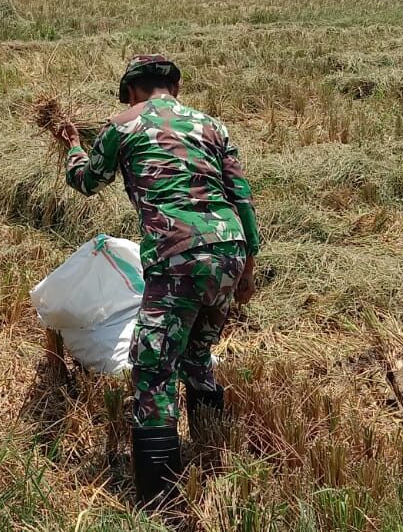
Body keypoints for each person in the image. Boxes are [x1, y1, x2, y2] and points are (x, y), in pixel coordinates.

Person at [52, 54, 261, 509]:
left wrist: (71, 144)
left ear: (131, 90)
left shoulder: (122, 124)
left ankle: (160, 498)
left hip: (177, 254)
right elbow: (242, 198)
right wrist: (247, 267)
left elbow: (87, 181)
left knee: (153, 368)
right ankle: (211, 456)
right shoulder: (213, 126)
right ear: (176, 87)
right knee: (198, 354)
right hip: (229, 249)